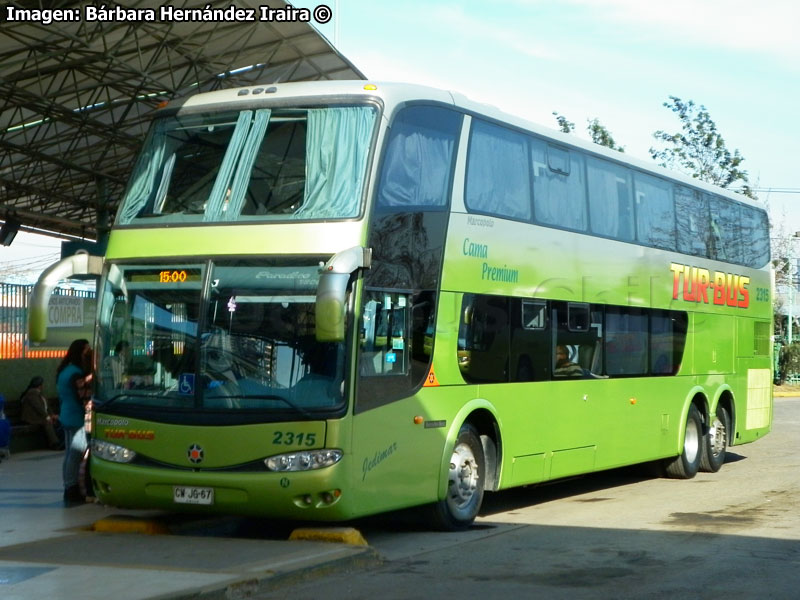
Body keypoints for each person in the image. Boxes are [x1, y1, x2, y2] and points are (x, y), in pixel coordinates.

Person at [56, 338, 93, 506]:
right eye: (87, 351)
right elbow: (83, 397)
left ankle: (68, 486)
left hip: (66, 416)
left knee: (69, 454)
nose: (89, 353)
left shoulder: (64, 371)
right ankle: (72, 488)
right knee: (75, 454)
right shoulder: (76, 373)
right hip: (77, 418)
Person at [20, 376, 63, 449]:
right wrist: (47, 416)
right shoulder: (31, 393)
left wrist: (52, 415)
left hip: (40, 417)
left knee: (56, 420)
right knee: (47, 422)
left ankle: (59, 441)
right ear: (39, 385)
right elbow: (38, 407)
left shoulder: (40, 394)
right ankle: (55, 443)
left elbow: (47, 407)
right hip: (32, 418)